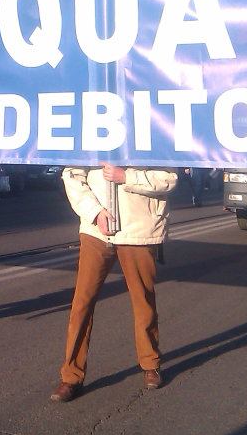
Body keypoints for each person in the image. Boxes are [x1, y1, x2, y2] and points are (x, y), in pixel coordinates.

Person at [50, 163, 177, 402]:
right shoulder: (91, 134)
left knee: (143, 302)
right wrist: (95, 212)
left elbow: (169, 179)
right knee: (82, 304)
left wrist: (127, 176)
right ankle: (71, 376)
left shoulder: (153, 129)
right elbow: (72, 175)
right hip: (96, 230)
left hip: (139, 229)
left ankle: (151, 364)